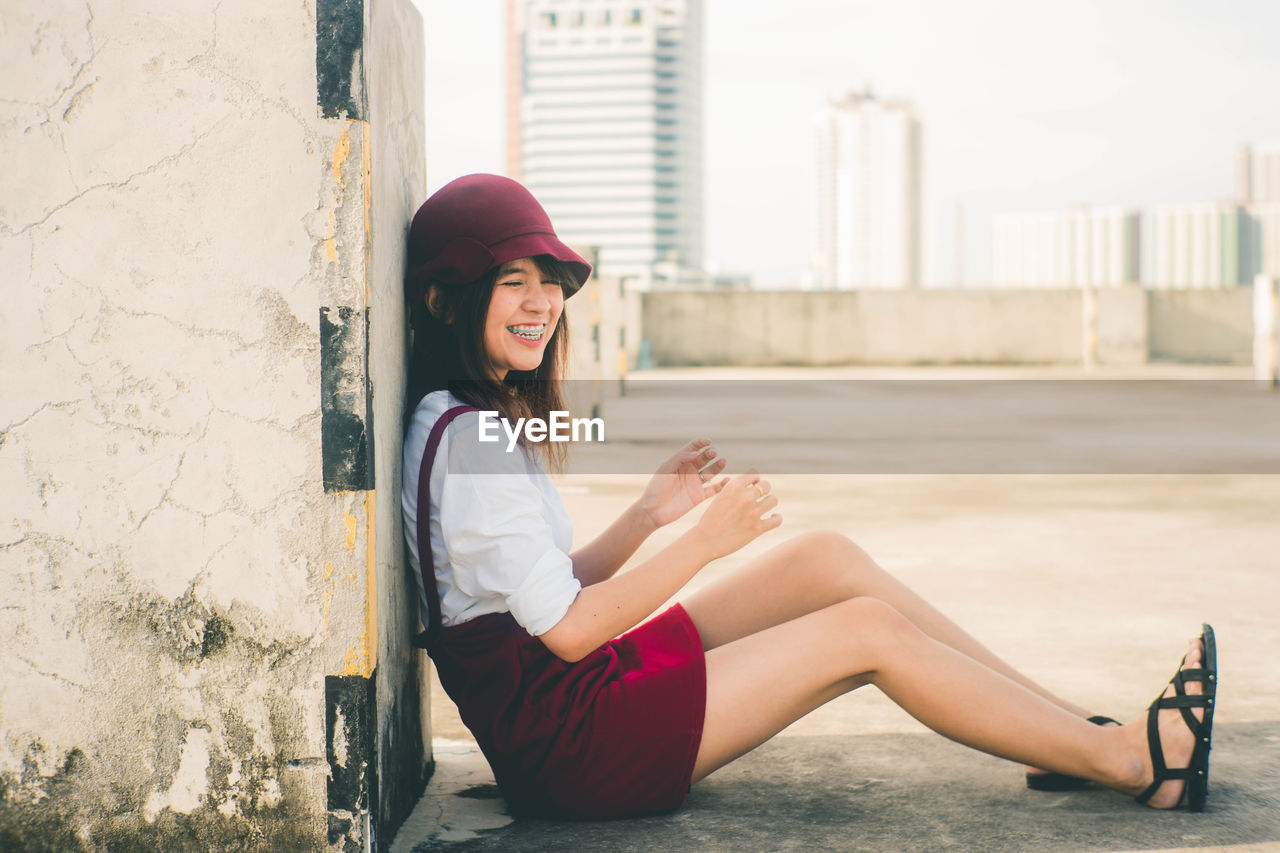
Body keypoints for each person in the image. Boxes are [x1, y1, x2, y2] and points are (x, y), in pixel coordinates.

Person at [400, 174, 1217, 821]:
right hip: (573, 749)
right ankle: (1138, 763)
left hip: (570, 699)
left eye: (549, 281)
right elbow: (571, 630)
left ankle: (1074, 734)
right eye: (513, 282)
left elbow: (538, 593)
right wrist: (704, 542)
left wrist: (648, 517)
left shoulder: (466, 420)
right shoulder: (472, 440)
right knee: (865, 631)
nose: (542, 302)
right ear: (446, 299)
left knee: (823, 558)